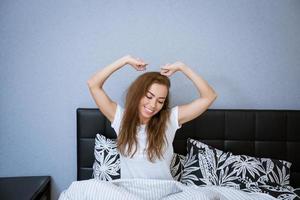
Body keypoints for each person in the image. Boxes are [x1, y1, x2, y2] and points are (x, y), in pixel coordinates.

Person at [87, 55, 217, 180]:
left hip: (163, 192)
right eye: (149, 97)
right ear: (138, 94)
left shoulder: (169, 119)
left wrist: (182, 67)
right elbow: (93, 84)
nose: (153, 105)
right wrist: (125, 60)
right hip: (128, 192)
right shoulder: (121, 118)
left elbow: (209, 96)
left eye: (160, 101)